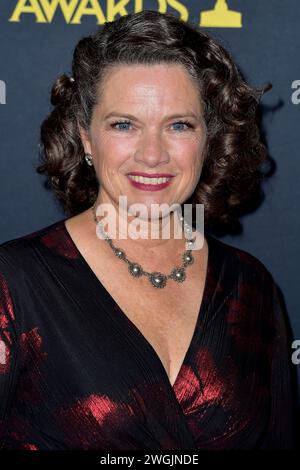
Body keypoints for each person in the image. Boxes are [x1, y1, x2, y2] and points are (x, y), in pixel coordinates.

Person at [0, 10, 295, 450]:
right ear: (85, 135)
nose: (153, 154)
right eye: (124, 125)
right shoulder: (13, 282)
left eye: (179, 125)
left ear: (209, 137)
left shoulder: (251, 286)